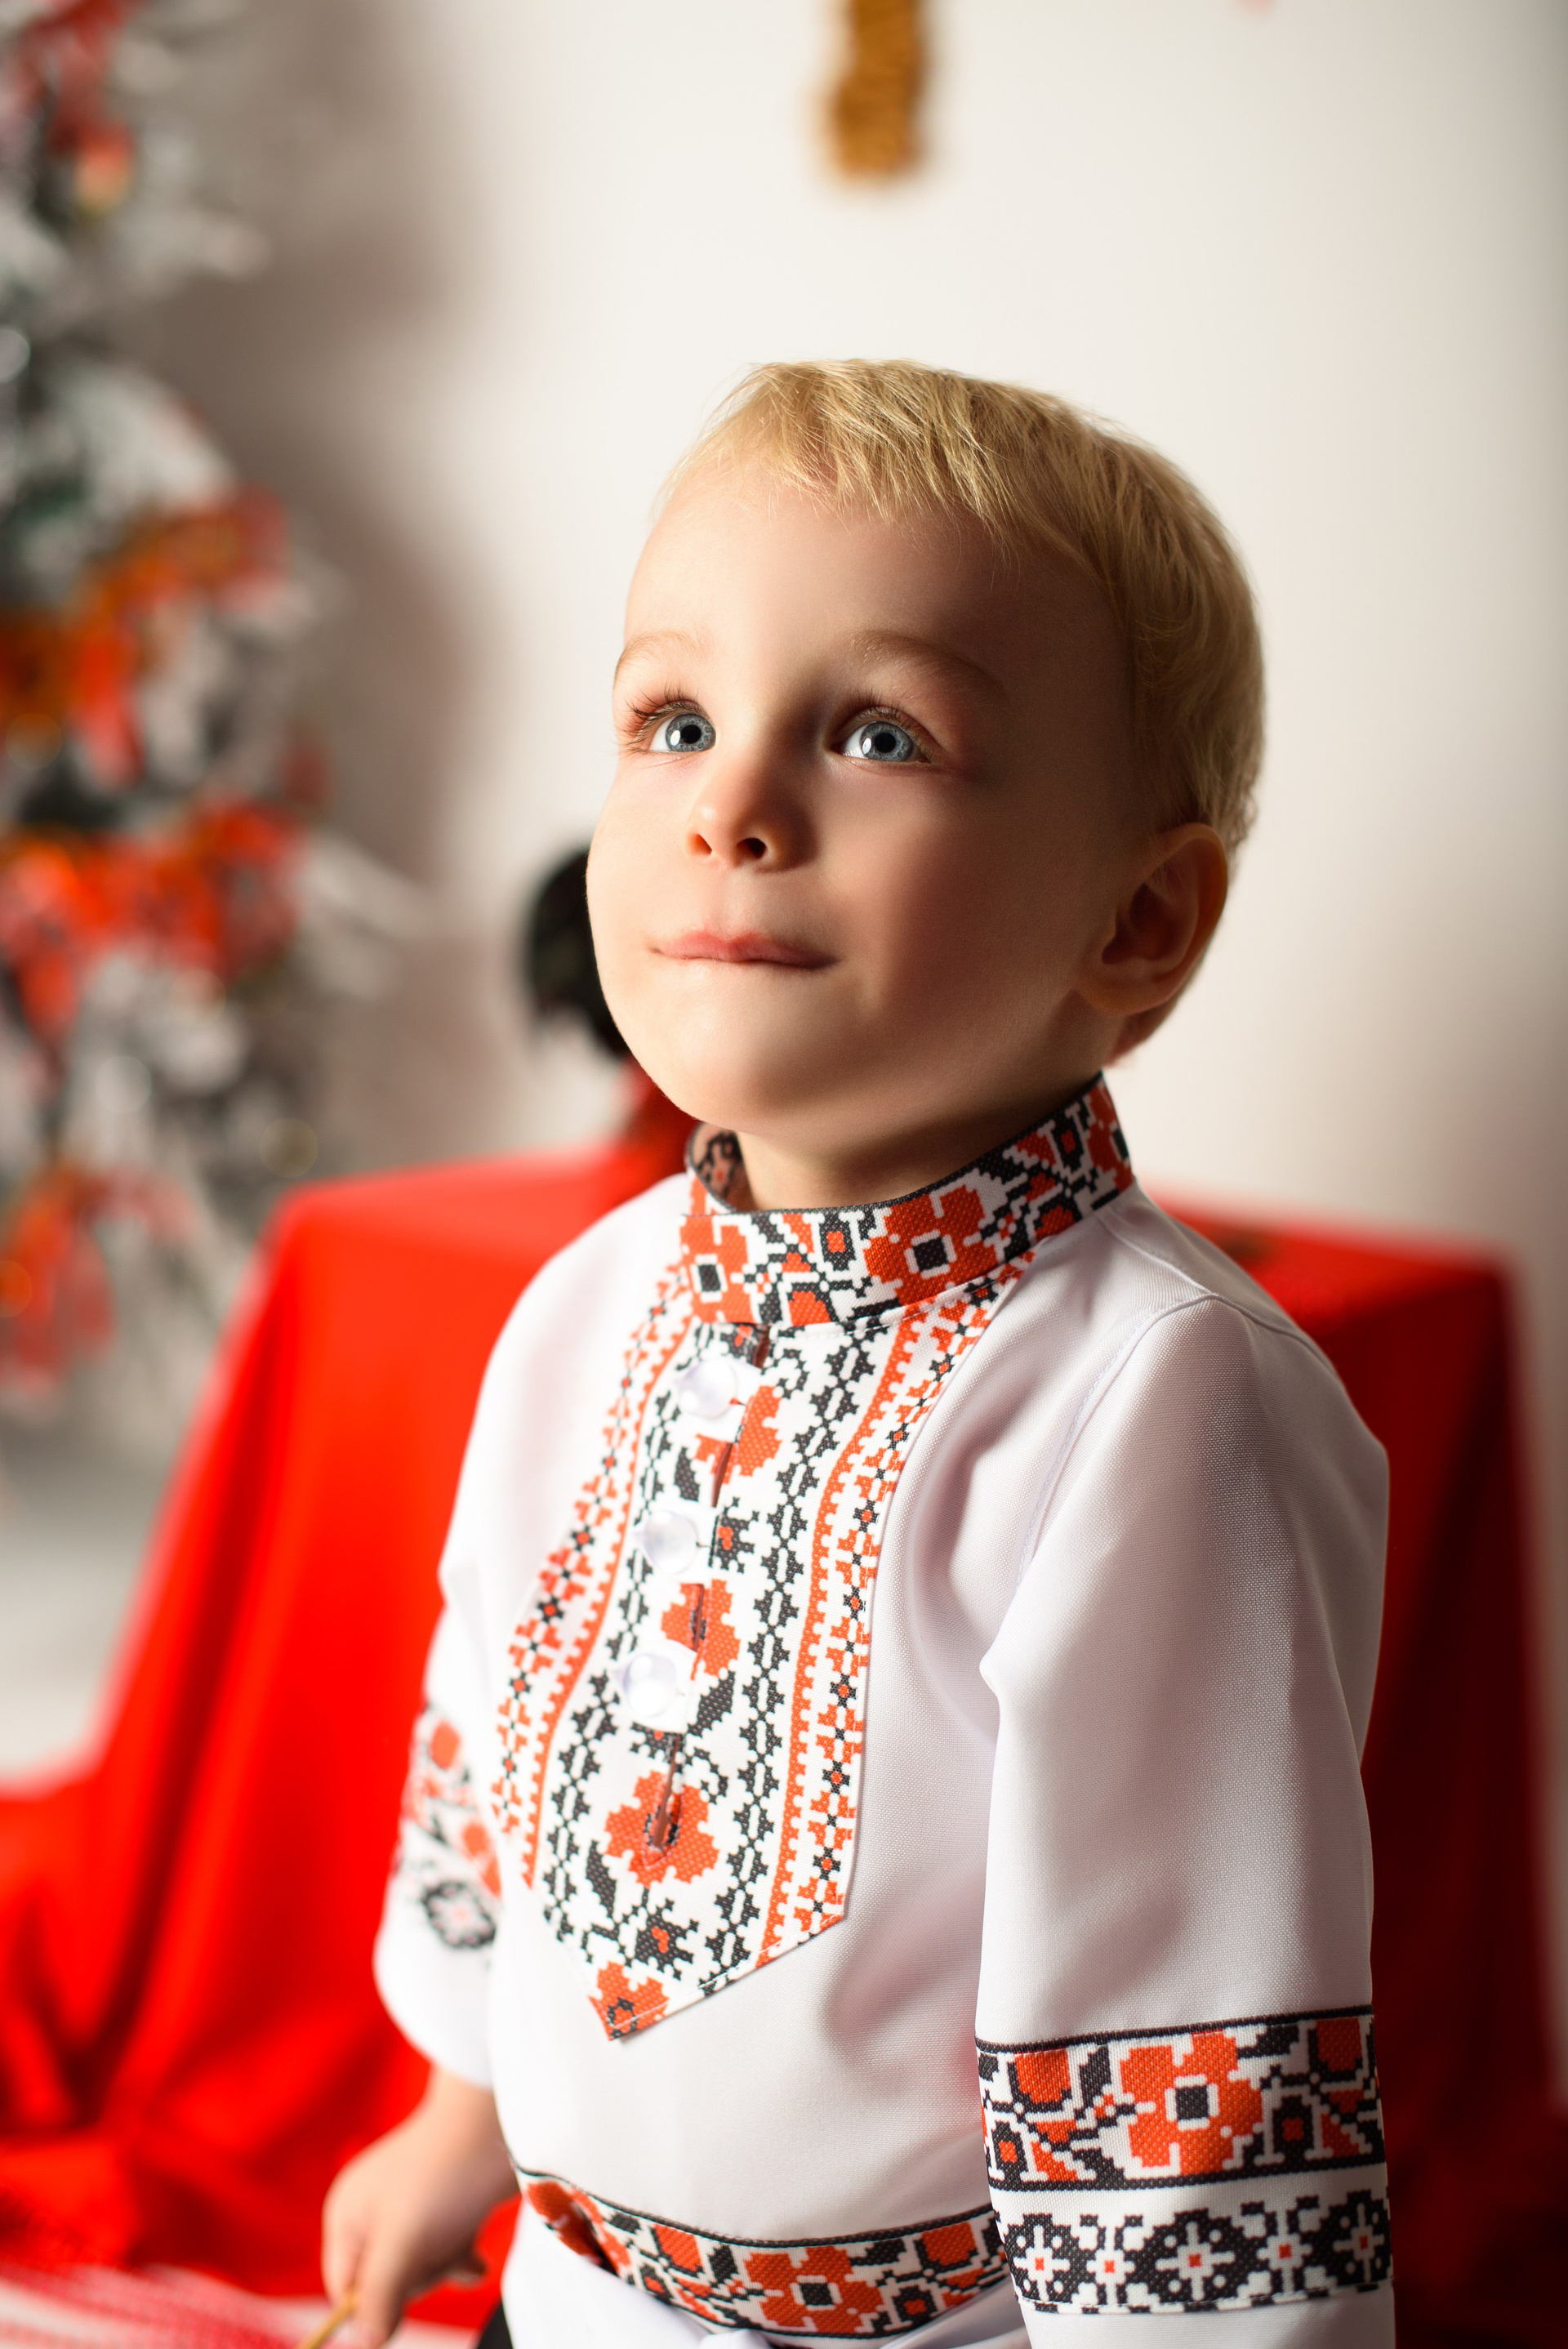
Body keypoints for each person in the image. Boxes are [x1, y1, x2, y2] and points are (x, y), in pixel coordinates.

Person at [322, 363, 1392, 2344]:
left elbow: (1186, 2035)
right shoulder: (587, 1304)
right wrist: (463, 2115)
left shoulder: (1156, 1403)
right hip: (563, 2302)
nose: (728, 805)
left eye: (880, 732)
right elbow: (499, 1757)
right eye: (674, 720)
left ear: (1140, 920)